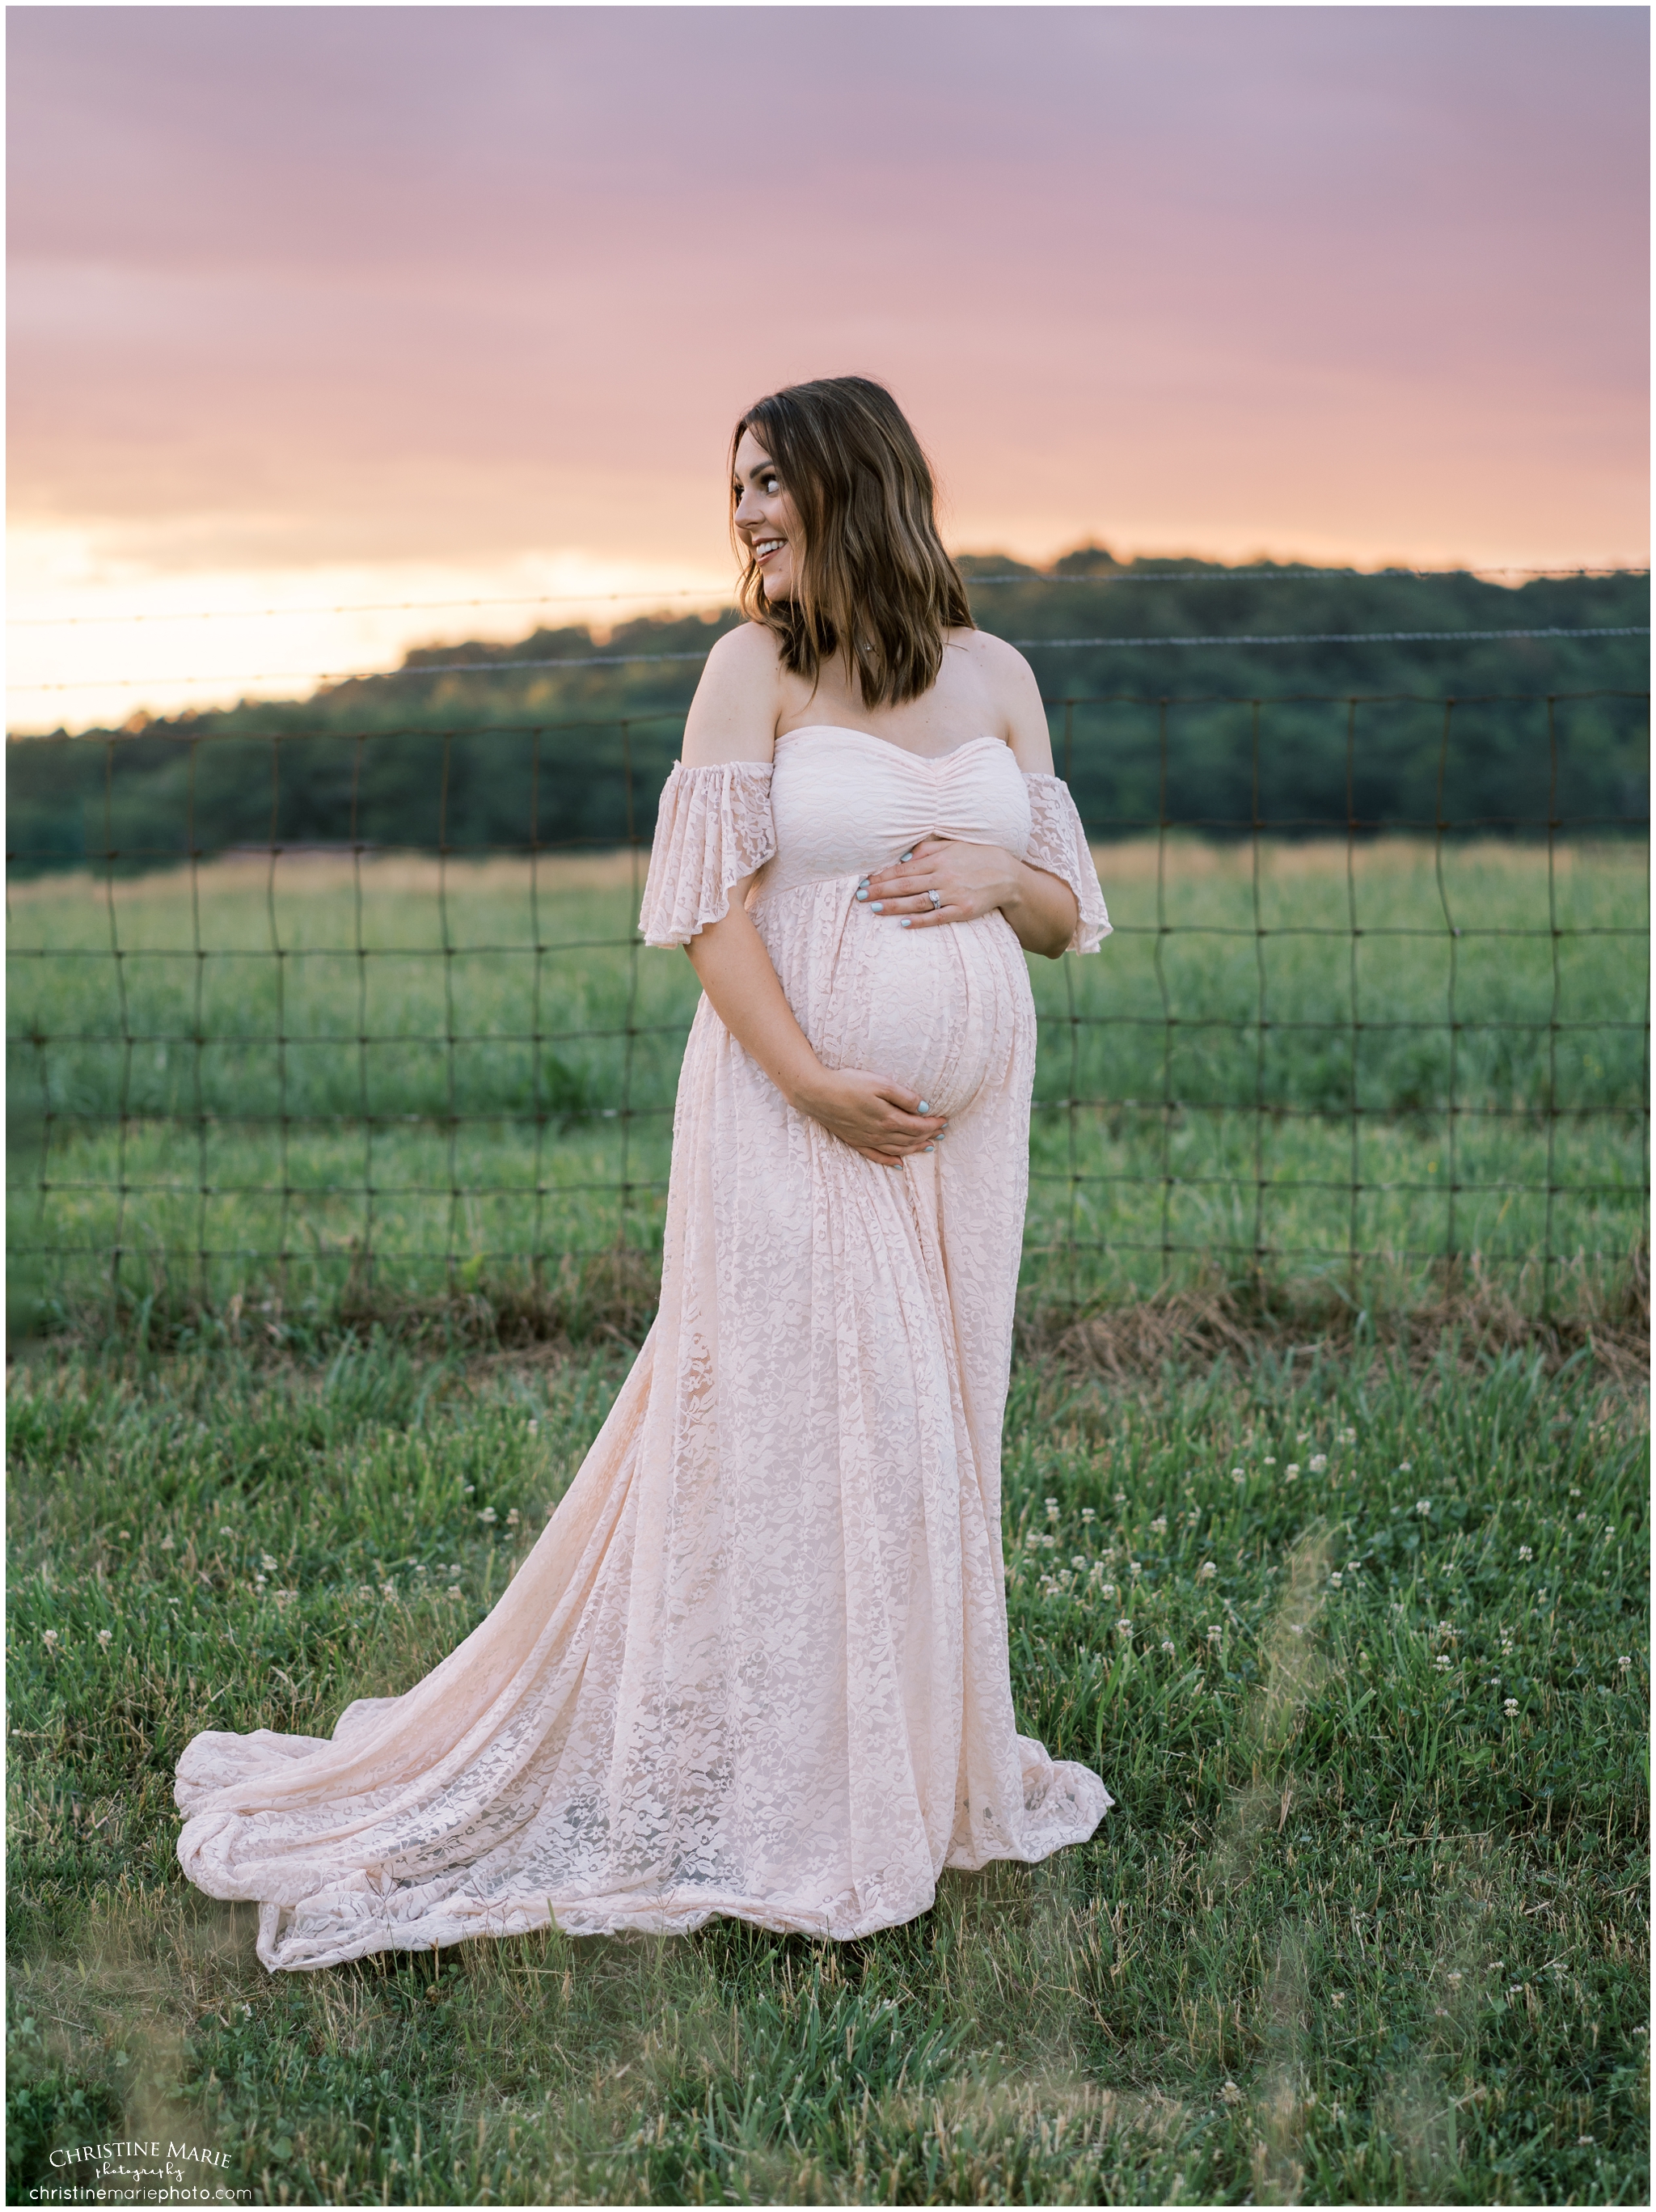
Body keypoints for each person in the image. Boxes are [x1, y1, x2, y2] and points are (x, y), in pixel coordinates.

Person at [174, 375, 1113, 1972]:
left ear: (856, 483)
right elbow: (703, 914)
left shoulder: (1001, 675)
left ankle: (895, 1764)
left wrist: (1003, 867)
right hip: (786, 1105)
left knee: (928, 1432)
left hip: (965, 1140)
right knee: (817, 1428)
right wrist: (815, 1078)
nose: (747, 512)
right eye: (735, 487)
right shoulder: (753, 671)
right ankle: (787, 1792)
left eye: (771, 482)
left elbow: (1066, 914)